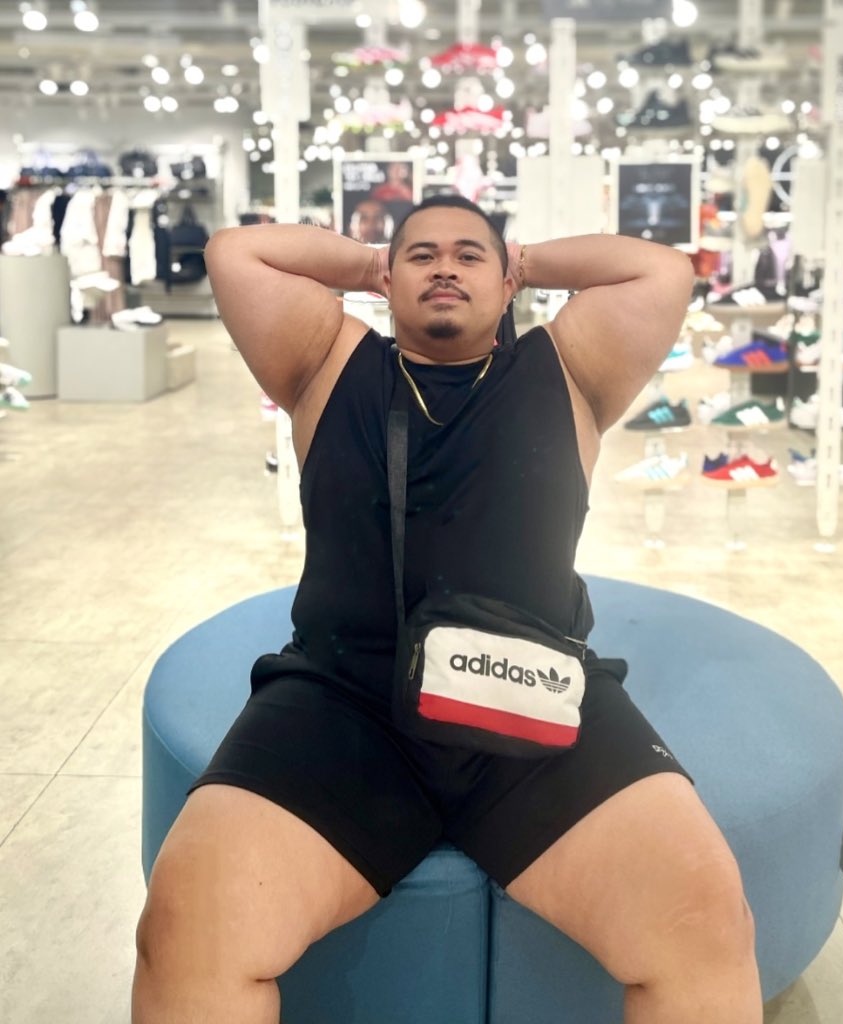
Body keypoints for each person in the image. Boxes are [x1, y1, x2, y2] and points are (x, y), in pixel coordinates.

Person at [132, 194, 762, 1024]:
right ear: (388, 282)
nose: (444, 267)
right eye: (421, 255)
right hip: (343, 701)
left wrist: (520, 259)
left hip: (532, 690)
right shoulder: (324, 361)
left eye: (469, 255)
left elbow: (661, 270)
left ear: (506, 287)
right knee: (187, 932)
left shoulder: (569, 368)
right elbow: (234, 253)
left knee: (706, 927)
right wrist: (373, 262)